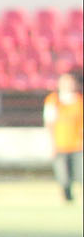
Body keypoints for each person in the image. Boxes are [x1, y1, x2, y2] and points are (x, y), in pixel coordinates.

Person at [44, 69, 81, 202]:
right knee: (64, 177)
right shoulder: (53, 100)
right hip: (60, 144)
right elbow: (49, 123)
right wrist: (52, 144)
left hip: (78, 144)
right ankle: (68, 198)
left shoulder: (80, 101)